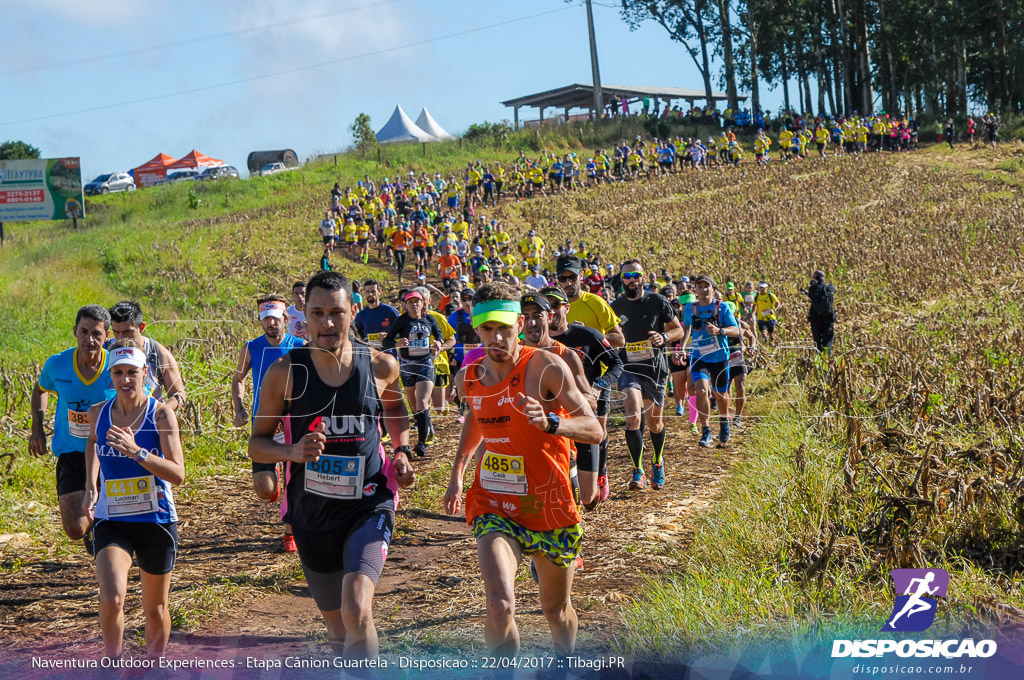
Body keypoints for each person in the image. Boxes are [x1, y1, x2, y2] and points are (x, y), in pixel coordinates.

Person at [249, 271, 415, 658]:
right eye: (317, 312)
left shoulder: (379, 365)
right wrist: (291, 453)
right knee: (338, 629)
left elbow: (396, 411)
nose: (326, 323)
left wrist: (402, 451)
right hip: (312, 511)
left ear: (353, 311)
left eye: (336, 312)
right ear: (302, 314)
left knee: (358, 608)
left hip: (369, 502)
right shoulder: (285, 373)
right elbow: (257, 442)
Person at [443, 282, 602, 657]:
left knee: (555, 610)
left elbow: (595, 429)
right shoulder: (470, 376)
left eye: (504, 328)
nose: (496, 338)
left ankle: (565, 663)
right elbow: (476, 421)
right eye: (486, 330)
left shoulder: (546, 365)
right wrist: (457, 474)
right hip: (494, 502)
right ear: (476, 330)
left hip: (550, 505)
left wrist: (551, 423)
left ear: (518, 323)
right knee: (500, 606)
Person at [82, 345, 185, 659]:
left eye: (131, 372)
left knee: (155, 608)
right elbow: (93, 441)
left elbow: (178, 474)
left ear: (144, 373)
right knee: (112, 597)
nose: (125, 379)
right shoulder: (99, 412)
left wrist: (136, 451)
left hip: (156, 520)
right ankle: (112, 664)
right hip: (113, 520)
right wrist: (91, 485)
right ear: (111, 376)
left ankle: (154, 667)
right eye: (118, 373)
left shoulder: (161, 413)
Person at [30, 305, 116, 547]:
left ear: (106, 336)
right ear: (75, 331)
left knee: (115, 521)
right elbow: (40, 391)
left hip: (109, 452)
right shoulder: (58, 364)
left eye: (97, 333)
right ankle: (96, 528)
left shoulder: (116, 368)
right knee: (75, 529)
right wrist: (37, 430)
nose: (90, 339)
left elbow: (142, 398)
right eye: (84, 331)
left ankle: (106, 533)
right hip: (71, 452)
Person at [230, 295, 304, 552]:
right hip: (264, 422)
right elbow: (238, 379)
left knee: (295, 483)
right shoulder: (251, 347)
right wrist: (239, 407)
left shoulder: (300, 346)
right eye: (265, 319)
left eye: (275, 318)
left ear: (285, 318)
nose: (271, 323)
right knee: (264, 489)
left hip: (293, 422)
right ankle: (273, 479)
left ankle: (290, 533)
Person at [543, 286, 623, 508]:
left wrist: (598, 386)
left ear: (566, 308)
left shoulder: (586, 335)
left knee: (588, 498)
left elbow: (617, 363)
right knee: (566, 480)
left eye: (556, 305)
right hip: (555, 414)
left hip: (586, 407)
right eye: (547, 307)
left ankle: (598, 476)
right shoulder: (534, 342)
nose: (552, 311)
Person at [611, 260, 684, 490]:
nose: (631, 279)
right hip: (628, 368)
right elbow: (609, 335)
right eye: (626, 276)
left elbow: (678, 329)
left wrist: (664, 337)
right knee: (633, 417)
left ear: (643, 277)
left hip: (655, 369)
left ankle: (657, 462)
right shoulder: (616, 306)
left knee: (655, 424)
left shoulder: (657, 301)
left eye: (635, 274)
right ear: (621, 280)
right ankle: (638, 471)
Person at [382, 290, 448, 457]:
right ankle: (425, 430)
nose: (414, 304)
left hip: (425, 364)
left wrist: (439, 343)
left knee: (422, 401)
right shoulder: (401, 321)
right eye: (410, 302)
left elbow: (440, 336)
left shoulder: (429, 319)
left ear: (422, 303)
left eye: (417, 301)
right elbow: (387, 341)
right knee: (414, 406)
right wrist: (397, 343)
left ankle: (421, 443)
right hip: (407, 366)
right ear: (406, 305)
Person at [680, 276, 741, 448]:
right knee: (700, 390)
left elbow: (736, 330)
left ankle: (724, 421)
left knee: (721, 394)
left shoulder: (722, 307)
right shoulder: (690, 308)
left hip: (719, 357)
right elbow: (687, 328)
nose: (703, 290)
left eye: (706, 286)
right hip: (699, 357)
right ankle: (706, 430)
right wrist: (683, 347)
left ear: (713, 289)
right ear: (695, 290)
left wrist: (720, 330)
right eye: (700, 287)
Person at [107, 301, 186, 409]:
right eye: (116, 332)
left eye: (127, 332)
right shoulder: (104, 351)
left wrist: (161, 412)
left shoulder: (158, 354)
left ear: (142, 327)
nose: (121, 338)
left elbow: (178, 394)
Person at [353, 279, 398, 350]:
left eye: (373, 291)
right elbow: (358, 338)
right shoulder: (361, 315)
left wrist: (389, 337)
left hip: (389, 355)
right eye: (367, 291)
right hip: (371, 356)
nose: (370, 294)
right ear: (364, 293)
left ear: (380, 292)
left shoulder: (391, 311)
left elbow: (402, 332)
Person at [804, 269, 836, 353]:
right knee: (828, 340)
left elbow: (812, 297)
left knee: (817, 340)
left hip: (815, 317)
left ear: (815, 278)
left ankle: (820, 357)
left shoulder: (813, 288)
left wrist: (812, 286)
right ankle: (827, 358)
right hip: (828, 317)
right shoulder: (830, 287)